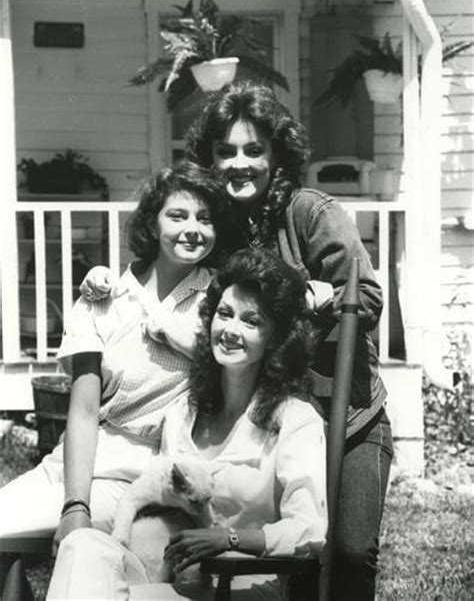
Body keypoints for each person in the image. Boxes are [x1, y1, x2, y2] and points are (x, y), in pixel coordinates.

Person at [82, 81, 393, 600]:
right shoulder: (219, 225)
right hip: (262, 423)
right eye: (225, 151)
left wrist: (307, 298)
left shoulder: (310, 212)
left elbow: (367, 299)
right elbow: (167, 267)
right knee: (265, 558)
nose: (239, 163)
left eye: (254, 149)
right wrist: (106, 279)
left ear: (277, 155)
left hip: (346, 418)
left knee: (345, 552)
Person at [47, 248, 327, 600]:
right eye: (224, 314)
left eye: (251, 321)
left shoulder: (294, 421)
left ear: (276, 338)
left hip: (241, 584)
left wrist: (229, 538)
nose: (230, 329)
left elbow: (310, 532)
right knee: (82, 546)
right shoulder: (184, 411)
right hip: (169, 576)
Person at [0, 160, 227, 556]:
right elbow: (84, 411)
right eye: (177, 215)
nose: (193, 228)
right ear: (153, 225)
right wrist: (75, 504)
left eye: (204, 219)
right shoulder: (104, 299)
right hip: (74, 464)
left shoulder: (220, 301)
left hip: (139, 474)